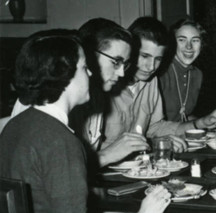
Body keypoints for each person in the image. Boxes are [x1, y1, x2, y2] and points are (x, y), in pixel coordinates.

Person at [0, 30, 171, 213]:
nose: (90, 74)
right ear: (65, 74)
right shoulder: (61, 142)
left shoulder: (15, 126)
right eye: (84, 67)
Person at [9, 18, 151, 168]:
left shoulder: (95, 96)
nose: (122, 73)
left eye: (125, 64)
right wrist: (107, 155)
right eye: (116, 62)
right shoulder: (46, 99)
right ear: (88, 56)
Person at [101, 17, 216, 155]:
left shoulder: (150, 81)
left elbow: (156, 127)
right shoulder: (106, 84)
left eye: (158, 59)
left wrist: (200, 123)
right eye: (144, 56)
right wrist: (157, 143)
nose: (151, 67)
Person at [158, 18, 205, 122]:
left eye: (195, 40)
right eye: (182, 40)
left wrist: (207, 121)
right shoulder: (161, 72)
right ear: (172, 43)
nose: (189, 46)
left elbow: (183, 117)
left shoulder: (197, 74)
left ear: (201, 45)